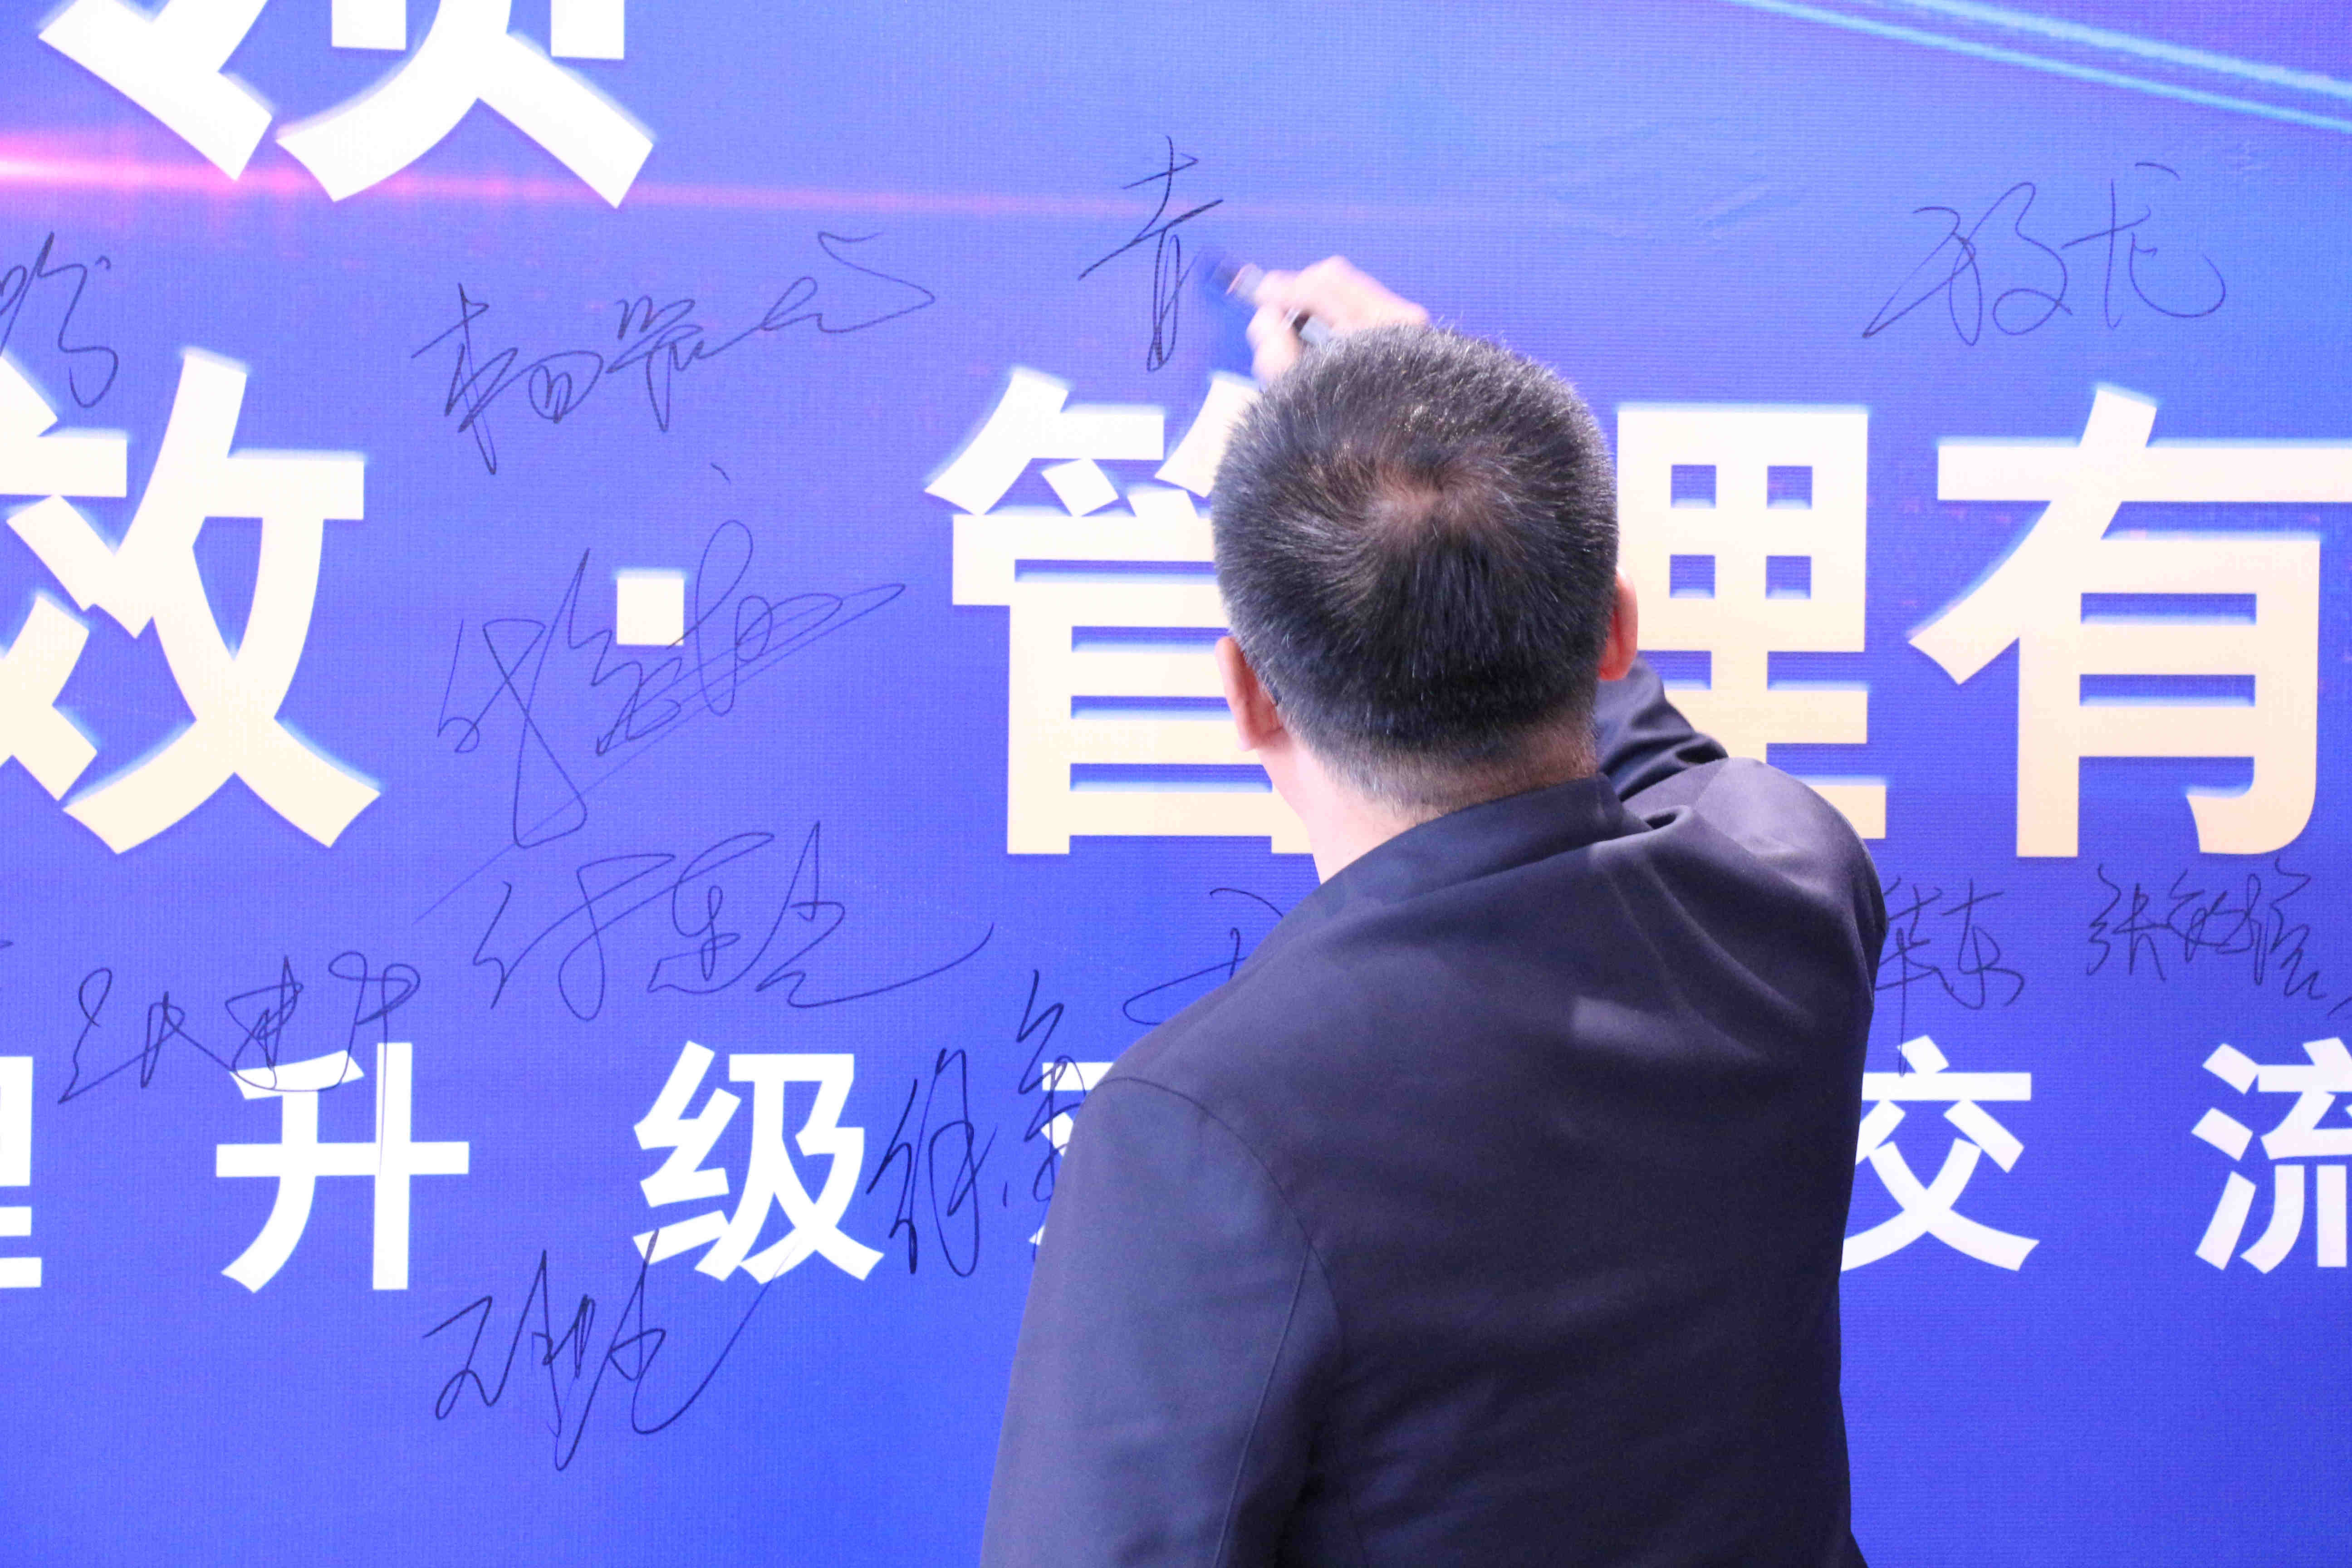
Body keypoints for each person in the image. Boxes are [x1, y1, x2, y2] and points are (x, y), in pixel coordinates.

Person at [980, 260, 1885, 1567]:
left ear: (1247, 694)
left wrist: (1395, 438)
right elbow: (1656, 755)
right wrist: (1439, 430)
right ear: (1616, 633)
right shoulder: (1788, 884)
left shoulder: (1210, 1123)